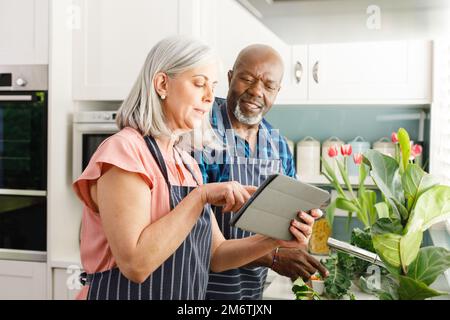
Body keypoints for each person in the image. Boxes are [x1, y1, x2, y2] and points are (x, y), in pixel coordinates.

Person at [72, 36, 319, 300]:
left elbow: (216, 254)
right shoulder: (124, 152)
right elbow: (135, 264)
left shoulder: (185, 162)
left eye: (212, 86)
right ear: (162, 84)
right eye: (199, 83)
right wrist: (200, 196)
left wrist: (276, 240)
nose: (211, 97)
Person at [196, 44, 328, 300]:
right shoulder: (201, 130)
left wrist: (301, 230)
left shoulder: (277, 145)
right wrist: (272, 256)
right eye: (247, 79)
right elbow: (192, 231)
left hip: (250, 293)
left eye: (268, 86)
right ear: (230, 77)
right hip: (200, 291)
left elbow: (291, 222)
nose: (256, 91)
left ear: (277, 92)